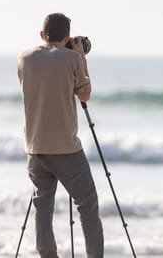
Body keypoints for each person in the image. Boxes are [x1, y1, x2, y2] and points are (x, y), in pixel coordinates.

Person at [17, 13, 104, 258]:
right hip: (67, 149)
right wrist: (80, 58)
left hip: (35, 148)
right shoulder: (72, 59)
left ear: (42, 34)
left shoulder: (23, 58)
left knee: (42, 206)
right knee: (87, 204)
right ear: (67, 37)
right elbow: (84, 94)